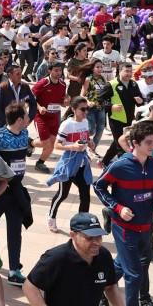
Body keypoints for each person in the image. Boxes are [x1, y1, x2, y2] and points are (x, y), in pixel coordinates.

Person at [93, 120, 153, 306]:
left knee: (123, 265)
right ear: (135, 143)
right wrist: (117, 208)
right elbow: (99, 187)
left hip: (147, 228)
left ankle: (98, 288)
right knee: (134, 276)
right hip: (125, 229)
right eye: (149, 142)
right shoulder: (119, 165)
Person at [24, 211, 139, 306]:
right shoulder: (56, 258)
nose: (96, 242)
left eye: (99, 236)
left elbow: (110, 286)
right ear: (73, 235)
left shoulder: (104, 256)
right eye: (89, 238)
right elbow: (29, 287)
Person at [0, 103, 35, 285]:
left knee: (15, 230)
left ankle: (14, 270)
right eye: (27, 116)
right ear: (20, 120)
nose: (30, 119)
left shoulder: (24, 134)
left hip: (16, 192)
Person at [46, 96, 94, 232]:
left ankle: (82, 225)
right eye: (82, 109)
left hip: (82, 163)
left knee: (85, 196)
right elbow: (57, 145)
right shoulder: (67, 124)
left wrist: (90, 143)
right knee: (63, 194)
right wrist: (72, 146)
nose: (85, 112)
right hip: (69, 163)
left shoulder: (85, 121)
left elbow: (85, 138)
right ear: (73, 109)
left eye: (87, 109)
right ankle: (51, 217)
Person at [31, 60, 68, 174]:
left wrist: (65, 101)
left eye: (60, 71)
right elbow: (31, 97)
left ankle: (40, 163)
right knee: (46, 142)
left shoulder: (63, 84)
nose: (58, 73)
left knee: (52, 143)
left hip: (55, 117)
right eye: (56, 70)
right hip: (41, 117)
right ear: (49, 71)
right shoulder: (43, 83)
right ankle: (30, 143)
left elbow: (62, 100)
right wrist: (39, 107)